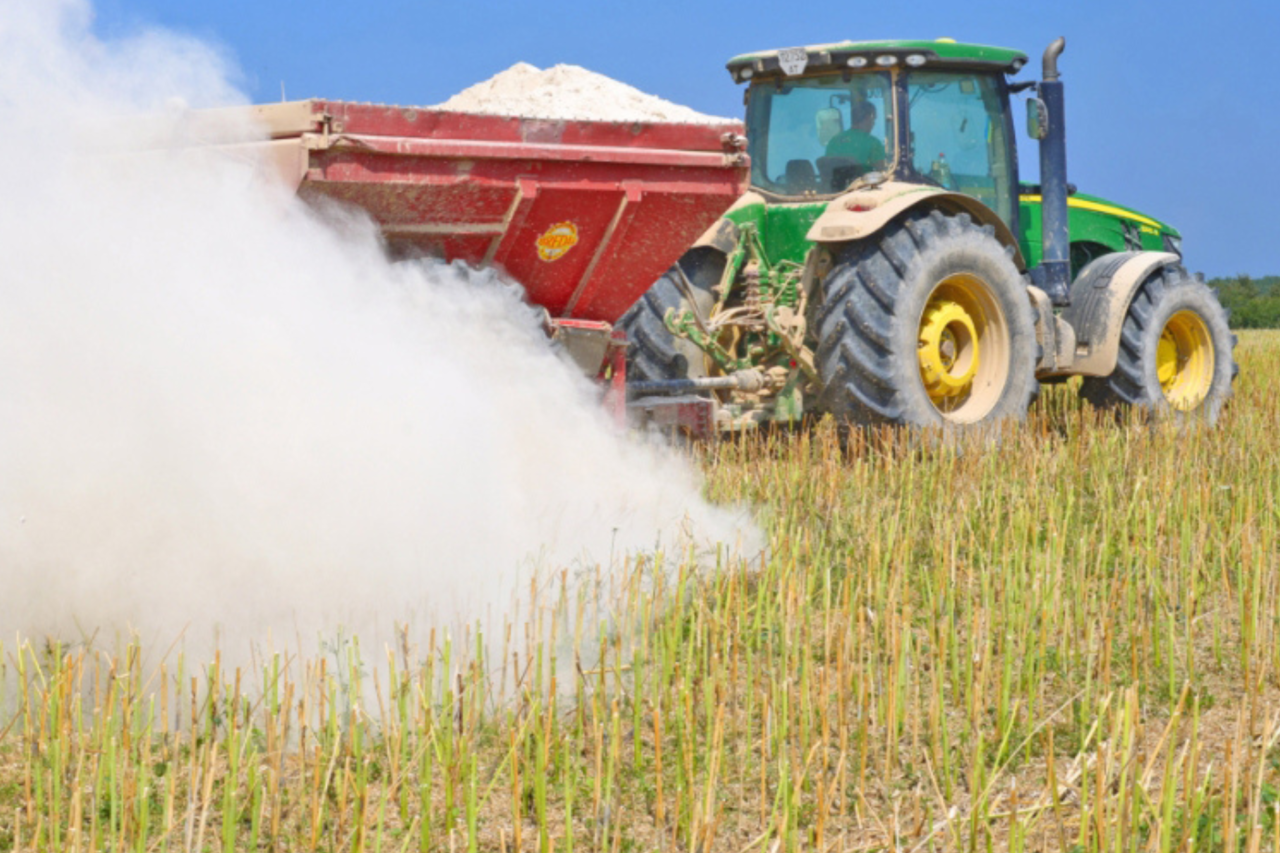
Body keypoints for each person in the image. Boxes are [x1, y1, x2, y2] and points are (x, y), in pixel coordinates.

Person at [824, 100, 886, 169]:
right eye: (873, 119)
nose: (874, 123)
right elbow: (881, 171)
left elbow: (827, 169)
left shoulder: (834, 141)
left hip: (835, 180)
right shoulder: (874, 143)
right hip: (860, 179)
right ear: (867, 118)